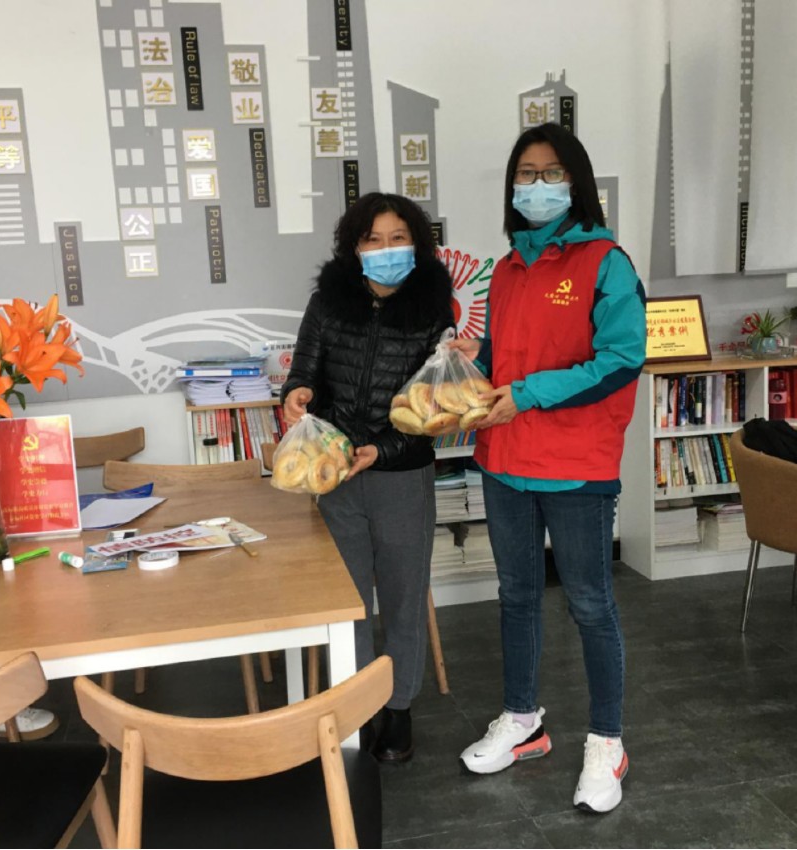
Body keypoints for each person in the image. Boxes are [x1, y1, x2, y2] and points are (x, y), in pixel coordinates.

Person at [454, 123, 646, 814]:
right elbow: (499, 357)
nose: (537, 186)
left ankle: (607, 741)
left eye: (551, 173)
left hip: (576, 467)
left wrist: (528, 394)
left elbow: (620, 359)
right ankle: (522, 720)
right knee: (516, 595)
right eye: (525, 174)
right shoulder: (506, 269)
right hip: (504, 461)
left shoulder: (606, 263)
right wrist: (467, 371)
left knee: (590, 603)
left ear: (576, 181)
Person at [281, 192, 454, 763]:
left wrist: (381, 450)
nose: (385, 248)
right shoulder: (328, 302)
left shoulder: (433, 309)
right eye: (372, 239)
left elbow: (434, 409)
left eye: (397, 238)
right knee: (350, 601)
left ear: (417, 244)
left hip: (401, 473)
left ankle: (398, 708)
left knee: (404, 595)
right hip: (334, 473)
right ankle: (356, 704)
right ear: (353, 247)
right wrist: (297, 394)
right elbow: (303, 372)